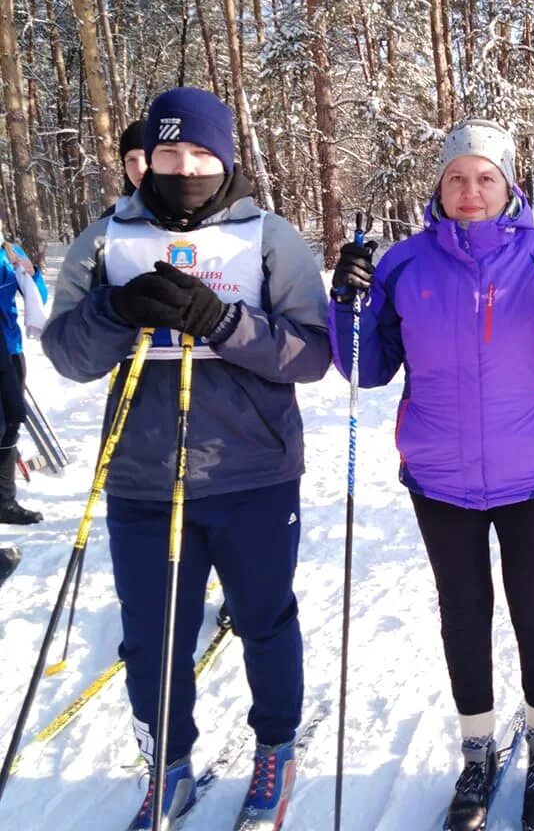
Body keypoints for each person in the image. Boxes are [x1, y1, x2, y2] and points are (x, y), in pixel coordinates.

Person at [42, 87, 332, 831]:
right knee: (152, 635)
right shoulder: (105, 236)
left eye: (200, 153)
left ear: (225, 157)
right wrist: (118, 310)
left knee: (265, 619)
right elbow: (67, 356)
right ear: (147, 161)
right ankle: (168, 767)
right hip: (141, 475)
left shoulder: (270, 237)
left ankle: (274, 750)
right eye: (168, 153)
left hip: (254, 473)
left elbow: (312, 354)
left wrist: (224, 322)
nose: (184, 166)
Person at [329, 119, 534, 831]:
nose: (470, 191)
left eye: (485, 177)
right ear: (438, 184)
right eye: (456, 177)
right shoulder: (403, 263)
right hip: (438, 474)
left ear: (508, 184)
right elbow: (365, 371)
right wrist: (345, 304)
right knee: (463, 611)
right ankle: (477, 751)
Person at [0, 220, 48, 525]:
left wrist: (33, 274)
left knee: (11, 423)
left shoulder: (10, 252)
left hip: (10, 349)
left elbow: (37, 297)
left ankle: (4, 500)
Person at [101, 120, 147, 220]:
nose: (140, 168)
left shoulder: (187, 216)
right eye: (131, 159)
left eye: (147, 158)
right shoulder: (110, 221)